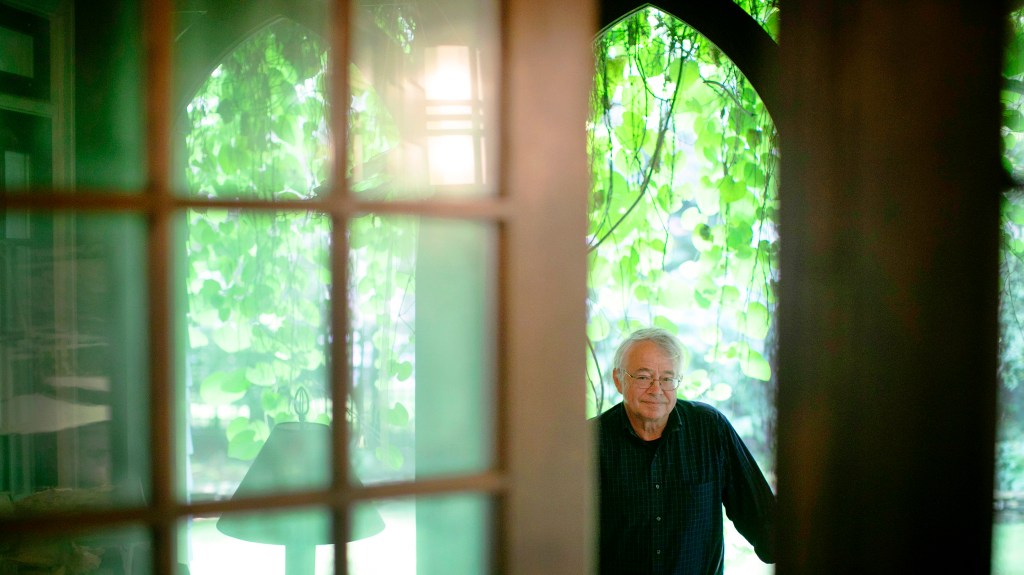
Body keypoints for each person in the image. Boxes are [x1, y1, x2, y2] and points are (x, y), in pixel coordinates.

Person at [593, 327, 776, 575]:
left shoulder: (711, 429)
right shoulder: (590, 442)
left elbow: (763, 518)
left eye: (667, 379)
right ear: (619, 380)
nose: (656, 389)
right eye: (644, 377)